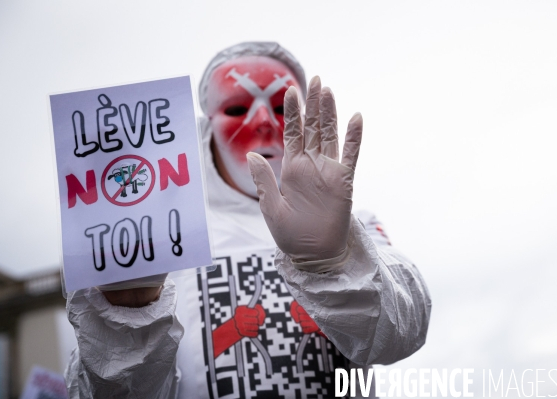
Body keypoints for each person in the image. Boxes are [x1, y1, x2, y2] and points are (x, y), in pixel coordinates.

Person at [64, 42, 431, 399]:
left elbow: (403, 332)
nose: (262, 122)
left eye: (281, 107)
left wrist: (338, 262)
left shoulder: (353, 229)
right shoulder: (163, 236)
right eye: (237, 108)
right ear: (206, 124)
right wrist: (125, 318)